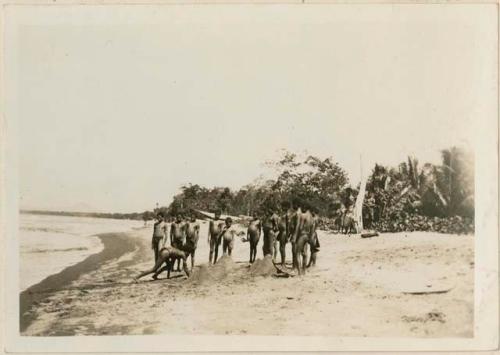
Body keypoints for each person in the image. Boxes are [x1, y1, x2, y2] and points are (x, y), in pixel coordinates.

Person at [291, 199, 317, 275]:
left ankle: (299, 273)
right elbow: (312, 229)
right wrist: (311, 238)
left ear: (304, 207)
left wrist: (294, 237)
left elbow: (299, 227)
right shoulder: (312, 217)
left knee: (297, 253)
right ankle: (304, 271)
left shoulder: (302, 216)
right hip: (308, 236)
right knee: (305, 254)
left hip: (302, 235)